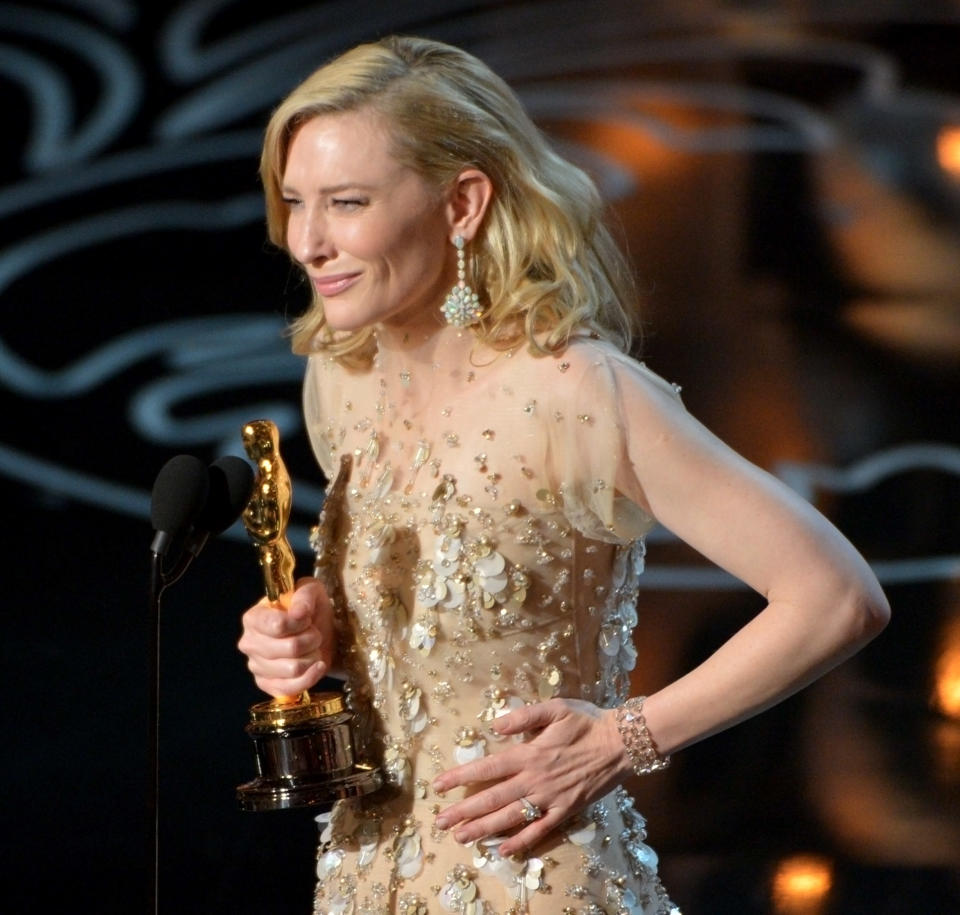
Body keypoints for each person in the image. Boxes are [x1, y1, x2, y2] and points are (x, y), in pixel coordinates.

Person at [237, 35, 890, 915]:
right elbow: (413, 639)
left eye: (347, 203)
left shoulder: (577, 390)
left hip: (541, 885)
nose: (309, 242)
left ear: (463, 202)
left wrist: (622, 740)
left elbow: (836, 595)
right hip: (364, 883)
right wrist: (310, 638)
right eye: (295, 203)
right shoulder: (345, 376)